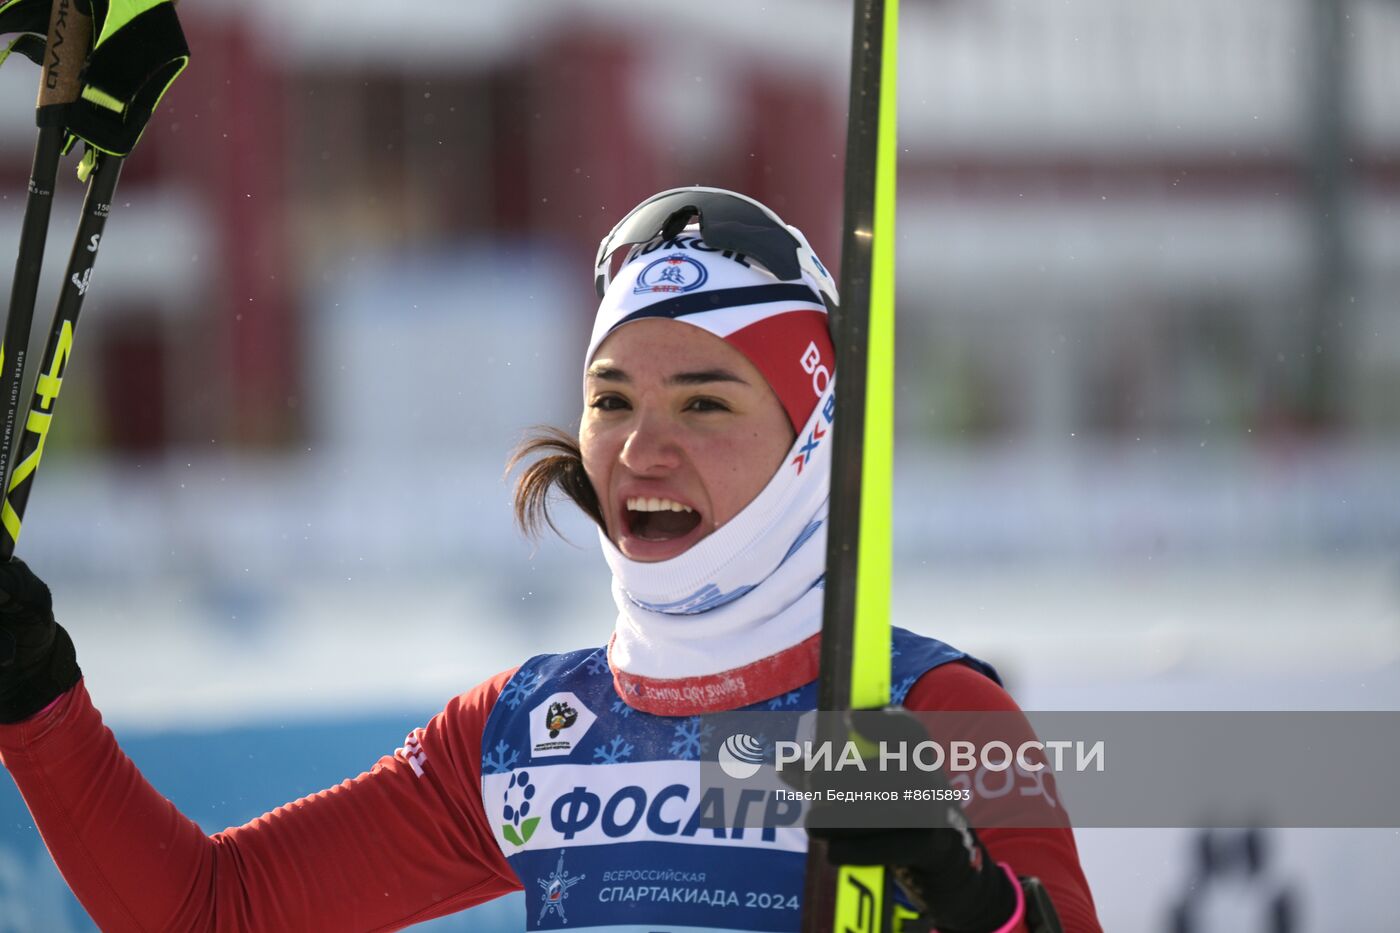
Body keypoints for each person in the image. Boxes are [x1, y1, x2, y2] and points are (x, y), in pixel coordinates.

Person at [0, 188, 1101, 932]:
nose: (639, 445)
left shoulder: (926, 711)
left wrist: (964, 897)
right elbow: (209, 908)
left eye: (704, 402)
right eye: (610, 400)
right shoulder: (527, 734)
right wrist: (35, 690)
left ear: (813, 441)